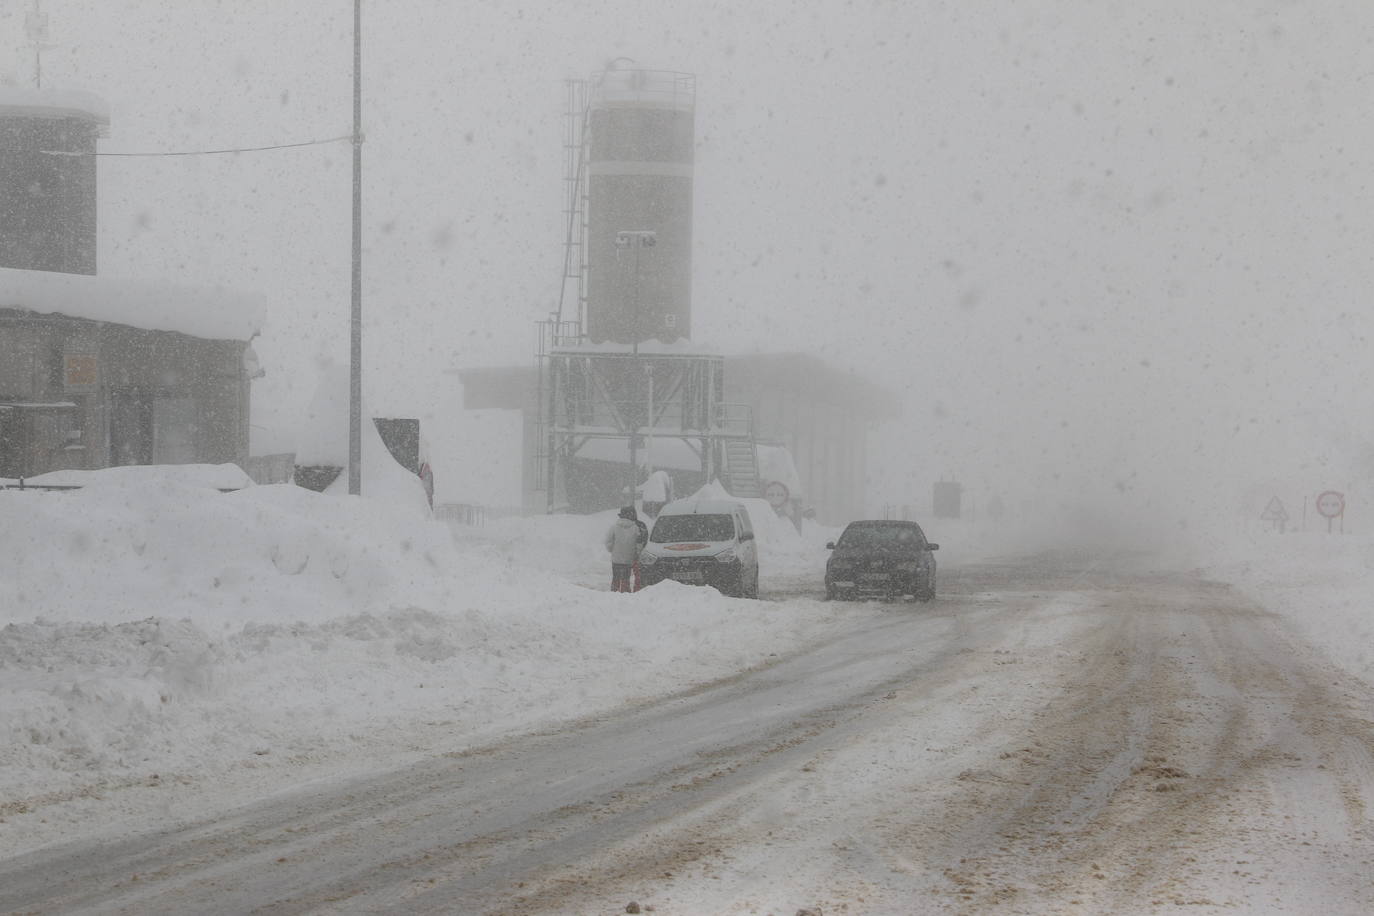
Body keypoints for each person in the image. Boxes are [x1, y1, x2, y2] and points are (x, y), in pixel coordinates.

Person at [604, 506, 642, 593]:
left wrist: (612, 550)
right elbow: (638, 544)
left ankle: (614, 593)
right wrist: (635, 553)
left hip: (616, 558)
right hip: (628, 559)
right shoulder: (636, 528)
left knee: (616, 578)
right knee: (626, 579)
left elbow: (608, 542)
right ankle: (625, 593)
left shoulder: (614, 527)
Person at [632, 513, 649, 591]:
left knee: (623, 577)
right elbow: (645, 539)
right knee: (638, 575)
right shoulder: (641, 525)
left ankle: (623, 592)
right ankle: (638, 590)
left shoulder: (620, 525)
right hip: (638, 553)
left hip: (625, 555)